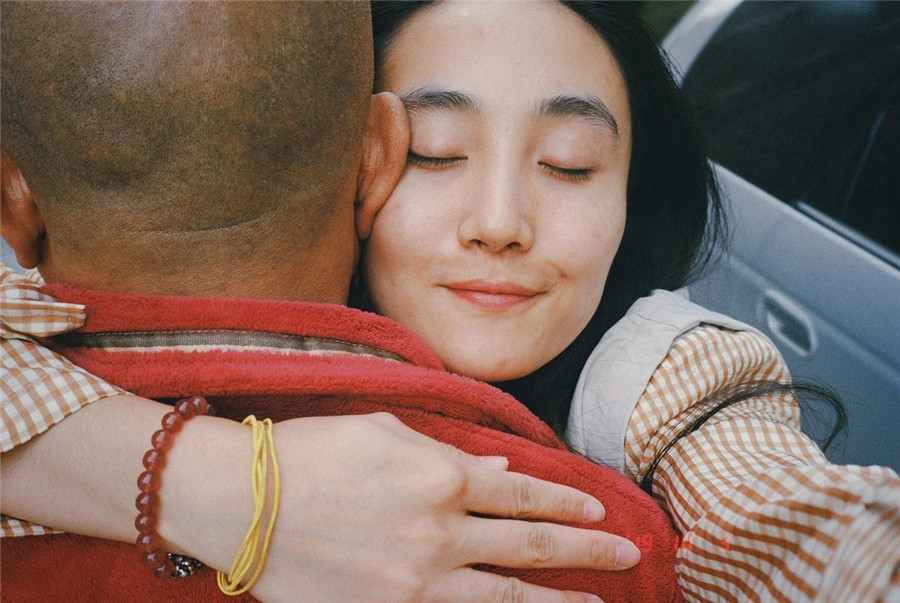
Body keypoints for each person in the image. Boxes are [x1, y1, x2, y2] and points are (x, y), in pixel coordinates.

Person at [4, 0, 899, 600]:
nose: (500, 222)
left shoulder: (670, 377)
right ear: (363, 159)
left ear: (633, 195)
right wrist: (235, 492)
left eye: (570, 165)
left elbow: (786, 517)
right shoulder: (49, 336)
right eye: (436, 152)